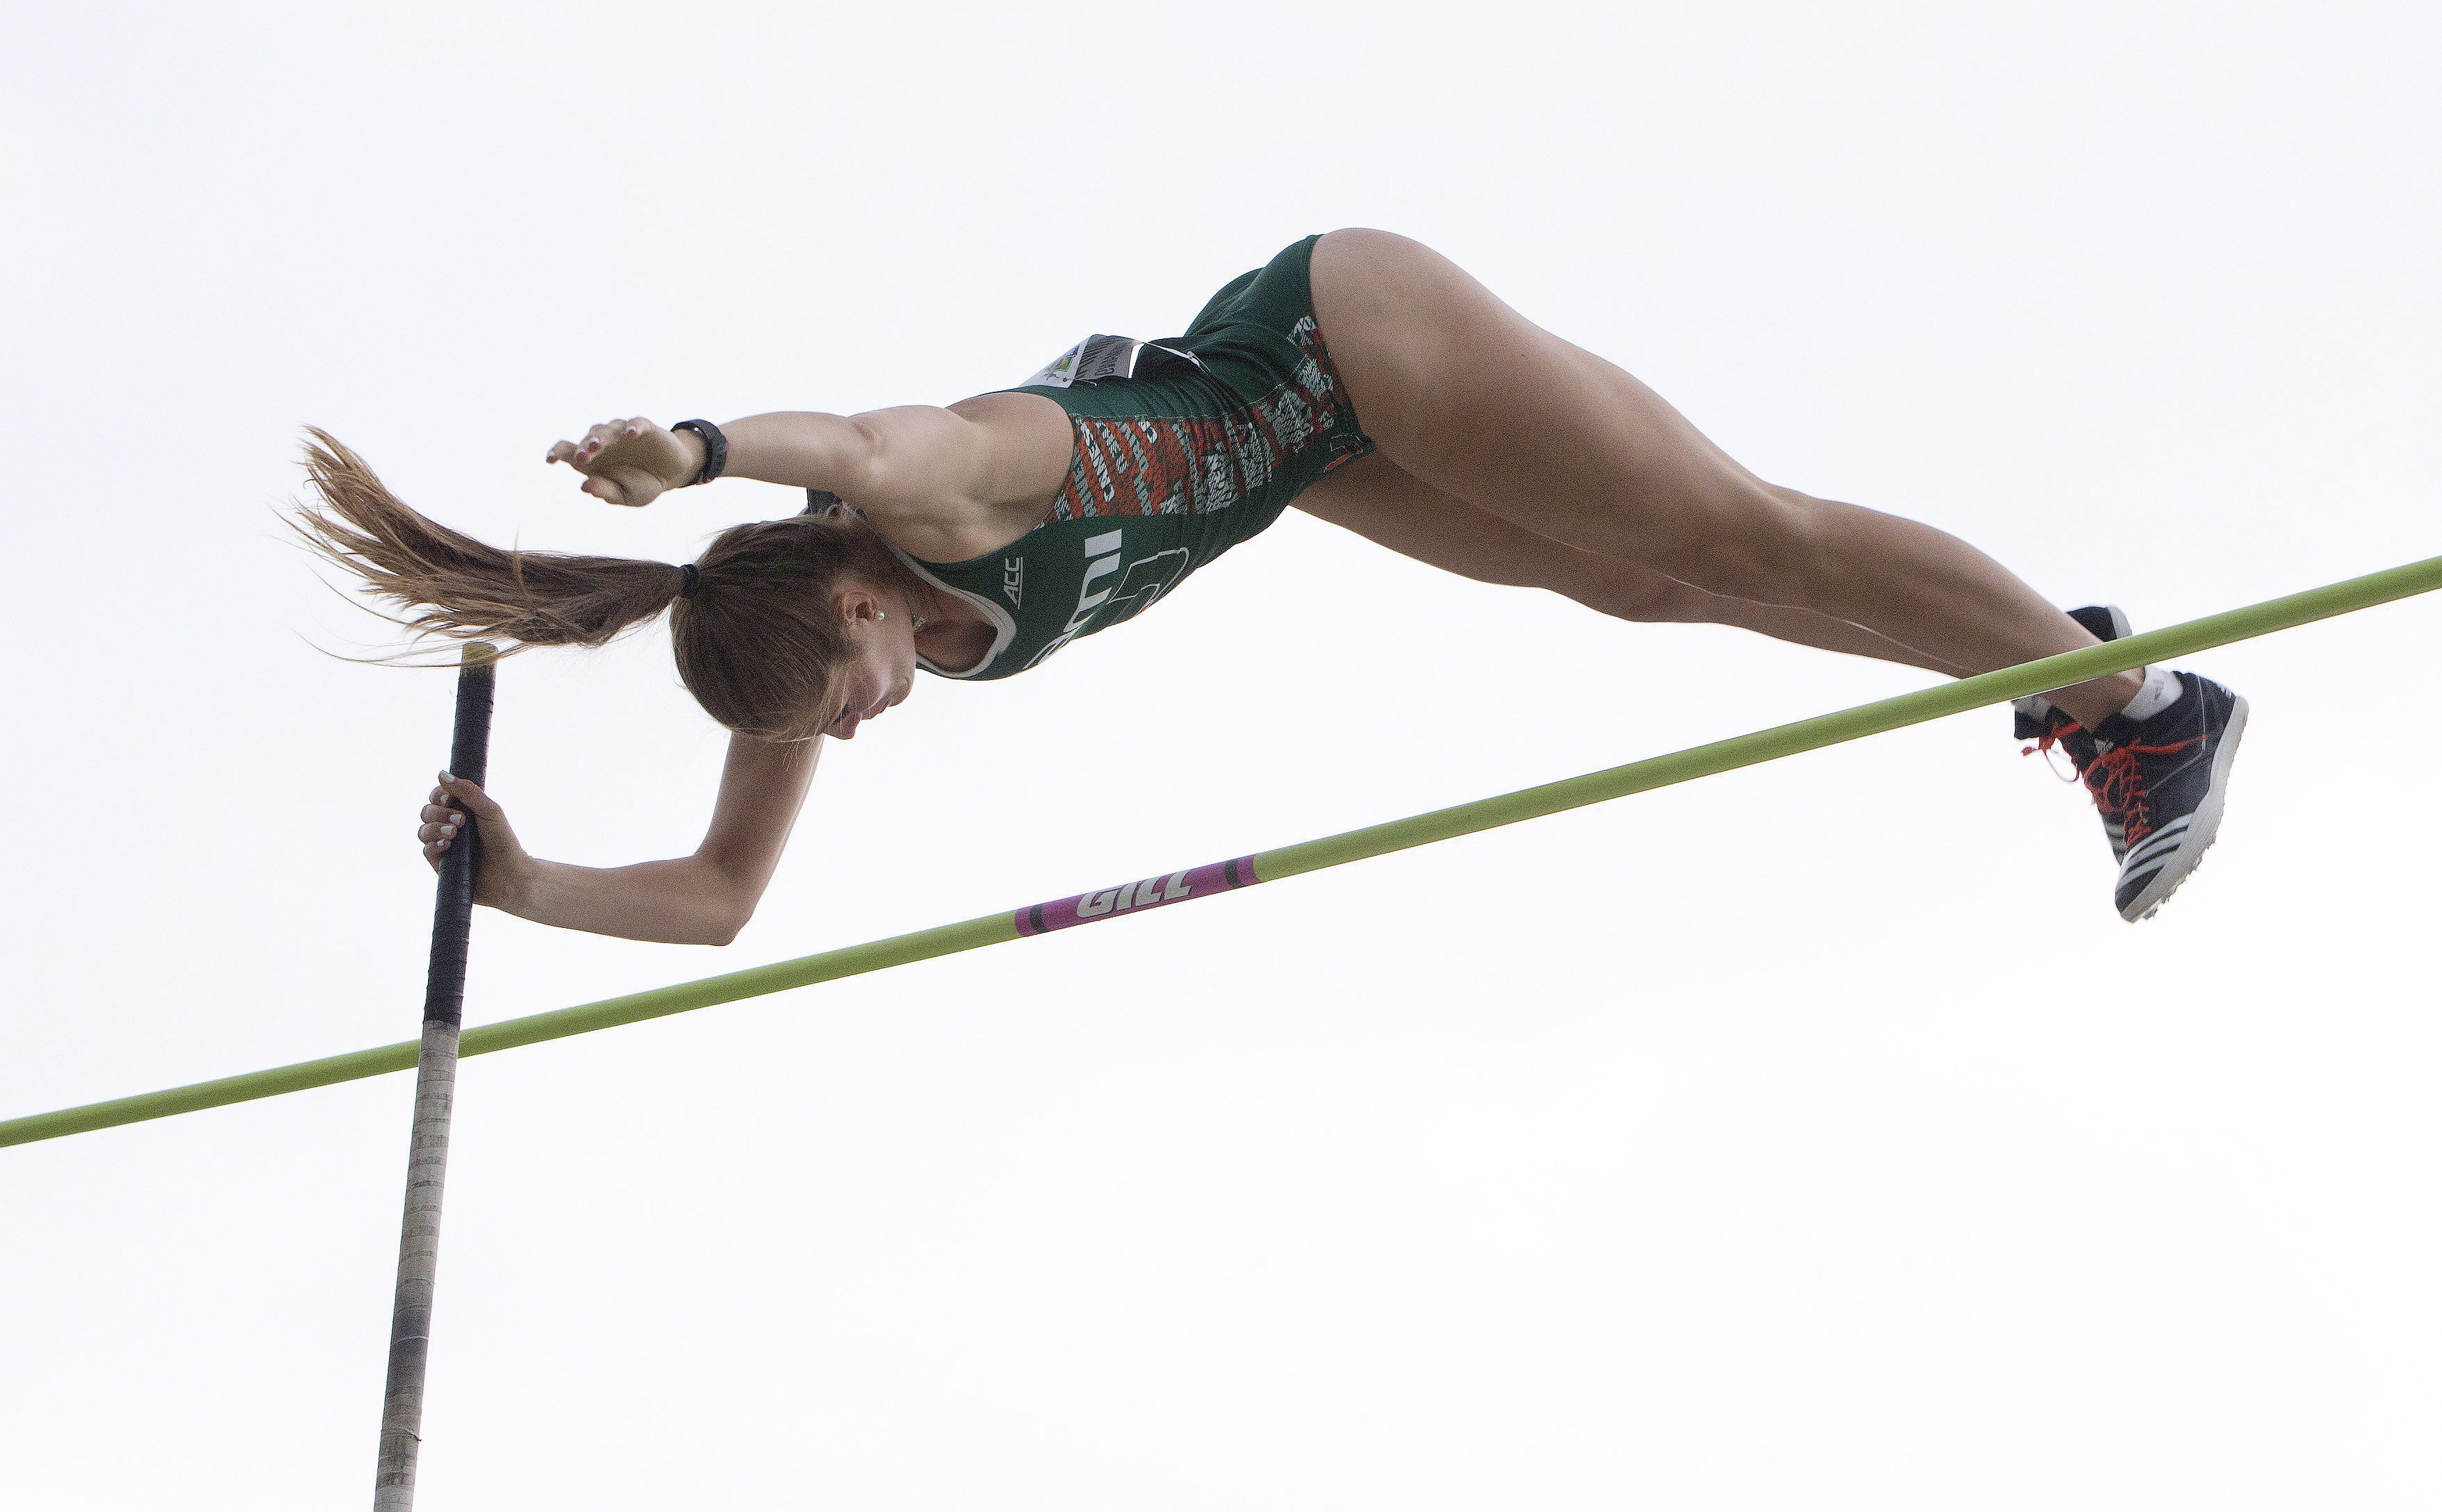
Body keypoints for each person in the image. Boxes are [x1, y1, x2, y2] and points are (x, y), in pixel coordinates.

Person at [291, 230, 2245, 944]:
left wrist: (703, 448)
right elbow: (722, 904)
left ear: (851, 609)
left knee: (1727, 534)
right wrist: (517, 878)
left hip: (1343, 341)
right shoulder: (823, 652)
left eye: (843, 700)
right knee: (1646, 599)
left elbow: (869, 445)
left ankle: (2147, 706)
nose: (857, 733)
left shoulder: (941, 496)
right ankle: (2057, 666)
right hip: (1317, 464)